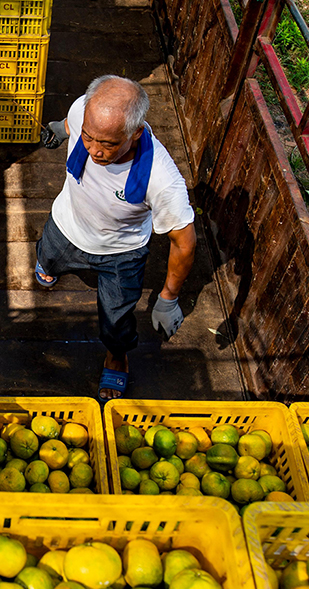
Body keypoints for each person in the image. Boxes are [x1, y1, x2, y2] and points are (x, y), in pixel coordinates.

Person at [37, 76, 197, 401]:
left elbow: (184, 241)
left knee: (117, 319)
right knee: (47, 256)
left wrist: (168, 298)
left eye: (108, 144)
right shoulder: (85, 110)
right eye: (88, 137)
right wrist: (61, 129)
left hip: (120, 252)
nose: (94, 151)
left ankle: (117, 356)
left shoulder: (163, 181)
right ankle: (50, 263)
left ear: (135, 132)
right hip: (68, 223)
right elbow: (73, 120)